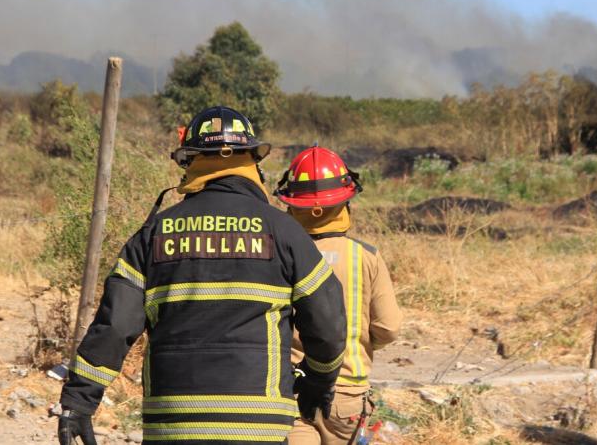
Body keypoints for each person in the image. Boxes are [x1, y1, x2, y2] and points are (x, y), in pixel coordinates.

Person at [58, 107, 347, 445]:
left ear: (190, 161)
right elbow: (327, 325)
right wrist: (318, 383)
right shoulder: (284, 232)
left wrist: (78, 401)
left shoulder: (155, 233)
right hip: (258, 428)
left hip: (173, 425)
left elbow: (116, 324)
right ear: (253, 162)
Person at [274, 146, 402, 445]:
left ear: (291, 203)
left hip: (290, 393)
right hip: (345, 398)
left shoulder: (277, 254)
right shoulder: (366, 256)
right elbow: (388, 327)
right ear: (345, 201)